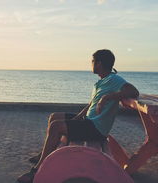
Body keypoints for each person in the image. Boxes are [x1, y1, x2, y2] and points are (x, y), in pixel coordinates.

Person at [17, 49, 139, 183]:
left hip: (96, 129)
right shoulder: (103, 80)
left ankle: (35, 172)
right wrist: (78, 117)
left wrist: (107, 97)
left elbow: (133, 91)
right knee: (54, 116)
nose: (91, 64)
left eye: (92, 61)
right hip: (88, 121)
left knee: (56, 126)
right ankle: (43, 155)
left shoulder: (114, 79)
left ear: (99, 63)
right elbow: (91, 104)